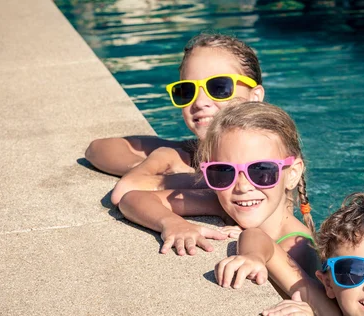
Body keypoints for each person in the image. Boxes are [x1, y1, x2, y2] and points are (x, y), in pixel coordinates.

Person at [119, 101, 319, 282]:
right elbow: (132, 199)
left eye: (261, 171)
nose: (242, 186)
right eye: (223, 172)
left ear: (292, 174)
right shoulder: (221, 202)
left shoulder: (299, 248)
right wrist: (172, 223)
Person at [84, 32, 265, 206]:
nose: (200, 102)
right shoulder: (191, 155)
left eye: (219, 87)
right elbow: (98, 148)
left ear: (254, 97)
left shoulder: (270, 162)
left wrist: (194, 181)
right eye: (187, 91)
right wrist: (149, 169)